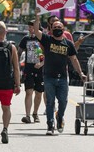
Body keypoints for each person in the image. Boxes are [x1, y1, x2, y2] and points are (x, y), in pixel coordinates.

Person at [34, 7, 87, 135]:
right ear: (51, 30)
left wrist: (81, 73)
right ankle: (50, 125)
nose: (57, 30)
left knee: (63, 101)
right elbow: (36, 31)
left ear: (63, 31)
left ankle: (59, 117)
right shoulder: (47, 39)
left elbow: (74, 59)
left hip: (63, 77)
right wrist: (37, 16)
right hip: (49, 77)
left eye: (59, 29)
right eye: (55, 28)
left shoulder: (68, 43)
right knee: (50, 102)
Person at [18, 20, 44, 124]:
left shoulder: (43, 39)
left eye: (32, 27)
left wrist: (41, 63)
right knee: (29, 92)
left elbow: (44, 53)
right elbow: (19, 51)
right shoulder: (26, 39)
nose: (30, 29)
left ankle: (35, 113)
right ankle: (27, 115)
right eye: (29, 27)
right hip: (28, 69)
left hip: (40, 70)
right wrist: (17, 64)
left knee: (38, 93)